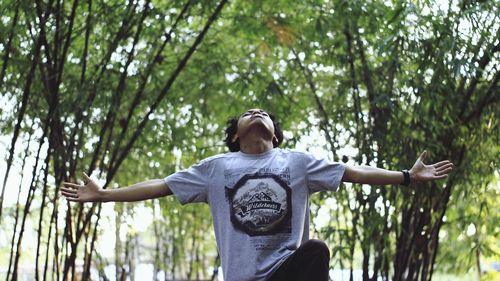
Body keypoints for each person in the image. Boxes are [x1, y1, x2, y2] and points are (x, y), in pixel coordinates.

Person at [60, 108, 453, 281]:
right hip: (242, 277)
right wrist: (105, 195)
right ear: (235, 135)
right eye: (250, 112)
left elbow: (354, 172)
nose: (258, 113)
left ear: (275, 135)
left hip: (287, 271)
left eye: (265, 113)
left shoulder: (297, 162)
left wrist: (406, 175)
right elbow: (161, 186)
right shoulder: (216, 167)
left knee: (315, 250)